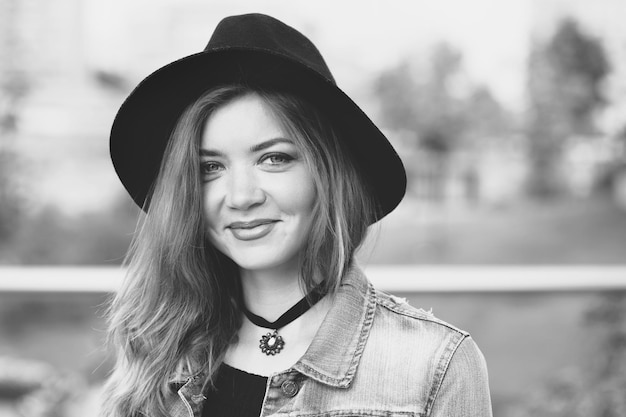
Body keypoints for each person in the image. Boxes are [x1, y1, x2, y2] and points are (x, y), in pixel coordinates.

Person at [103, 13, 492, 417]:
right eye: (210, 168)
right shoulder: (159, 352)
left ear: (328, 173)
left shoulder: (434, 366)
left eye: (274, 158)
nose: (240, 197)